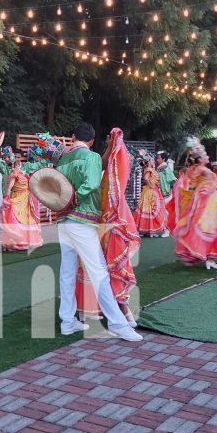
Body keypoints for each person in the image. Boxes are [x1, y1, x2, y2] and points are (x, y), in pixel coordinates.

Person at [55, 122, 142, 341]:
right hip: (82, 220)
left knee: (67, 272)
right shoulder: (91, 157)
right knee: (99, 272)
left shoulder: (62, 158)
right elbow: (93, 183)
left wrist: (110, 146)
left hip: (63, 221)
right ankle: (118, 323)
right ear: (92, 141)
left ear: (73, 136)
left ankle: (67, 322)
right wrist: (75, 199)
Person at [76, 128, 141, 327]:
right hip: (98, 219)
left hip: (88, 220)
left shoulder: (66, 157)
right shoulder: (94, 161)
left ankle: (84, 310)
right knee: (104, 265)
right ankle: (119, 310)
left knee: (85, 266)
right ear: (93, 140)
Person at [167, 137, 217, 269]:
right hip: (206, 203)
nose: (207, 156)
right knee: (209, 228)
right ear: (199, 158)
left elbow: (188, 181)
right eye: (205, 155)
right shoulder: (202, 170)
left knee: (201, 228)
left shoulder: (195, 169)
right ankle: (209, 259)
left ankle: (203, 257)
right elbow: (207, 183)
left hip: (204, 202)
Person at [0, 144, 43, 251]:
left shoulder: (26, 167)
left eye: (19, 157)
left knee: (25, 220)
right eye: (15, 156)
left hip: (24, 198)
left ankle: (25, 242)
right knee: (11, 219)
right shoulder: (6, 167)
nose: (17, 159)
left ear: (21, 158)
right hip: (12, 197)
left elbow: (39, 166)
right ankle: (12, 242)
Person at [134, 150, 168, 237]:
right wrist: (151, 185)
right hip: (151, 191)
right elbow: (145, 178)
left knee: (148, 210)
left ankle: (148, 230)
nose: (154, 160)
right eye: (152, 159)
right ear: (149, 160)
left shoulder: (150, 168)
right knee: (151, 210)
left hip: (150, 191)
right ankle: (152, 230)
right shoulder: (149, 169)